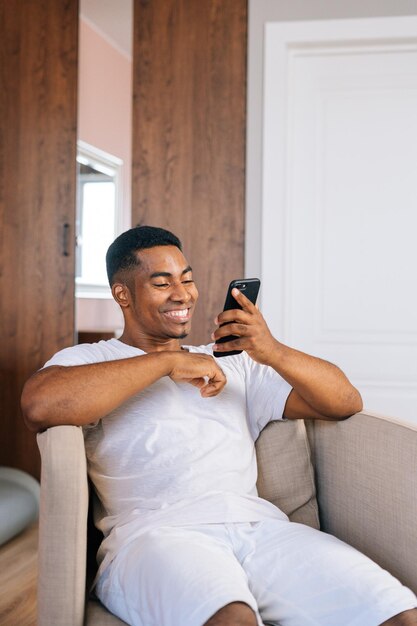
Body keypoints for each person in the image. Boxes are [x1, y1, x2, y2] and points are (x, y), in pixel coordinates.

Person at [22, 226, 417, 626]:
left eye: (187, 279)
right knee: (231, 619)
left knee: (396, 615)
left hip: (262, 531)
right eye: (162, 283)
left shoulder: (235, 362)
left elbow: (345, 402)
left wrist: (272, 350)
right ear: (123, 294)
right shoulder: (92, 360)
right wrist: (166, 362)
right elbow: (40, 403)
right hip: (156, 537)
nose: (182, 294)